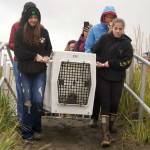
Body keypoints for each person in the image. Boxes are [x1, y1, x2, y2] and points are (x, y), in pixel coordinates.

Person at [92, 18, 133, 147]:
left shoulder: (127, 44)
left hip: (118, 77)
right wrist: (98, 61)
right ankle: (105, 135)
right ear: (112, 28)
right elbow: (93, 50)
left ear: (123, 30)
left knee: (115, 103)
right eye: (116, 28)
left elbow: (127, 62)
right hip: (103, 76)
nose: (118, 31)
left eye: (120, 29)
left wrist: (111, 63)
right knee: (106, 103)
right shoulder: (104, 38)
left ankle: (110, 126)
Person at [14, 6, 52, 141]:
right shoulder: (19, 32)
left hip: (39, 72)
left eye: (36, 17)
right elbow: (18, 52)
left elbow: (49, 48)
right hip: (24, 71)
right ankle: (27, 133)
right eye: (31, 17)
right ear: (27, 18)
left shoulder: (44, 32)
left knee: (37, 100)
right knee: (27, 101)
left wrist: (47, 56)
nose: (33, 20)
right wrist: (35, 56)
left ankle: (36, 127)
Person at [85, 6, 117, 127]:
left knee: (111, 95)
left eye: (112, 16)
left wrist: (111, 33)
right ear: (103, 17)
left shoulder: (117, 30)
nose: (109, 19)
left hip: (112, 66)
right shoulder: (95, 29)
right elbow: (88, 48)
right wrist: (94, 60)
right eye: (107, 16)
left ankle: (108, 121)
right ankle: (94, 118)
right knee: (97, 92)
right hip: (97, 65)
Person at [9, 2, 36, 123]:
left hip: (34, 64)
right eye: (28, 10)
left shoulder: (39, 27)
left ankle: (31, 120)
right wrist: (22, 49)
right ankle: (21, 119)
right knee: (20, 90)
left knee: (32, 91)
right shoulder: (16, 26)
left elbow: (42, 43)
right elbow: (10, 43)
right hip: (19, 62)